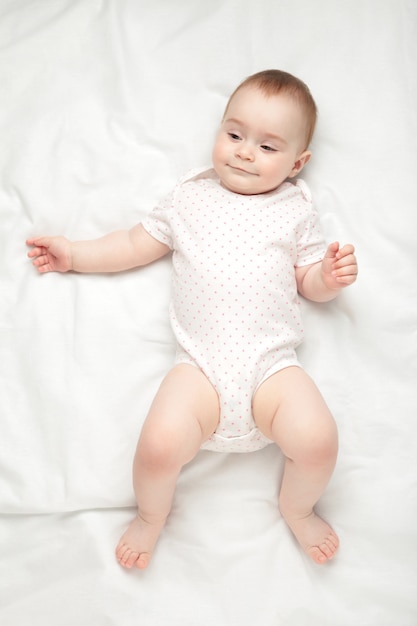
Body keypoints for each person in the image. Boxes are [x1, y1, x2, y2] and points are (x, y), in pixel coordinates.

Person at [27, 69, 358, 569]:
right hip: (199, 370)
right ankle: (150, 516)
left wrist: (328, 279)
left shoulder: (295, 210)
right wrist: (75, 253)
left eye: (268, 147)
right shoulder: (189, 198)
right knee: (158, 447)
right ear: (219, 130)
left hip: (271, 368)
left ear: (298, 163)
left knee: (318, 441)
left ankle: (298, 507)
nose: (245, 152)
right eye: (234, 135)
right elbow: (133, 245)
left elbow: (307, 280)